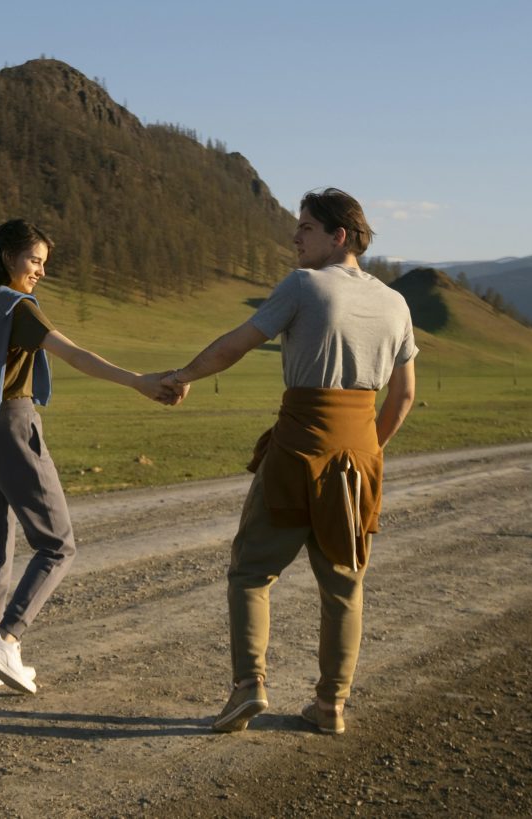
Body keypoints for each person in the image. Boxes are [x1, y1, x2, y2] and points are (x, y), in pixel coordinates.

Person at [163, 188, 417, 734]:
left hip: (298, 447)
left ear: (338, 235)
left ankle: (248, 686)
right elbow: (404, 397)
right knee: (345, 585)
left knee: (252, 570)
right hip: (359, 455)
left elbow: (237, 344)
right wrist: (370, 451)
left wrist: (183, 376)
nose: (295, 237)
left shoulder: (304, 286)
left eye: (305, 227)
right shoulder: (396, 304)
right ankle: (331, 706)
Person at [0, 219, 177, 694]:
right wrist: (139, 380)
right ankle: (7, 639)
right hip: (13, 426)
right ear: (8, 258)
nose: (39, 271)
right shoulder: (15, 308)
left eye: (43, 263)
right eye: (34, 260)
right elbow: (75, 354)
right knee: (59, 544)